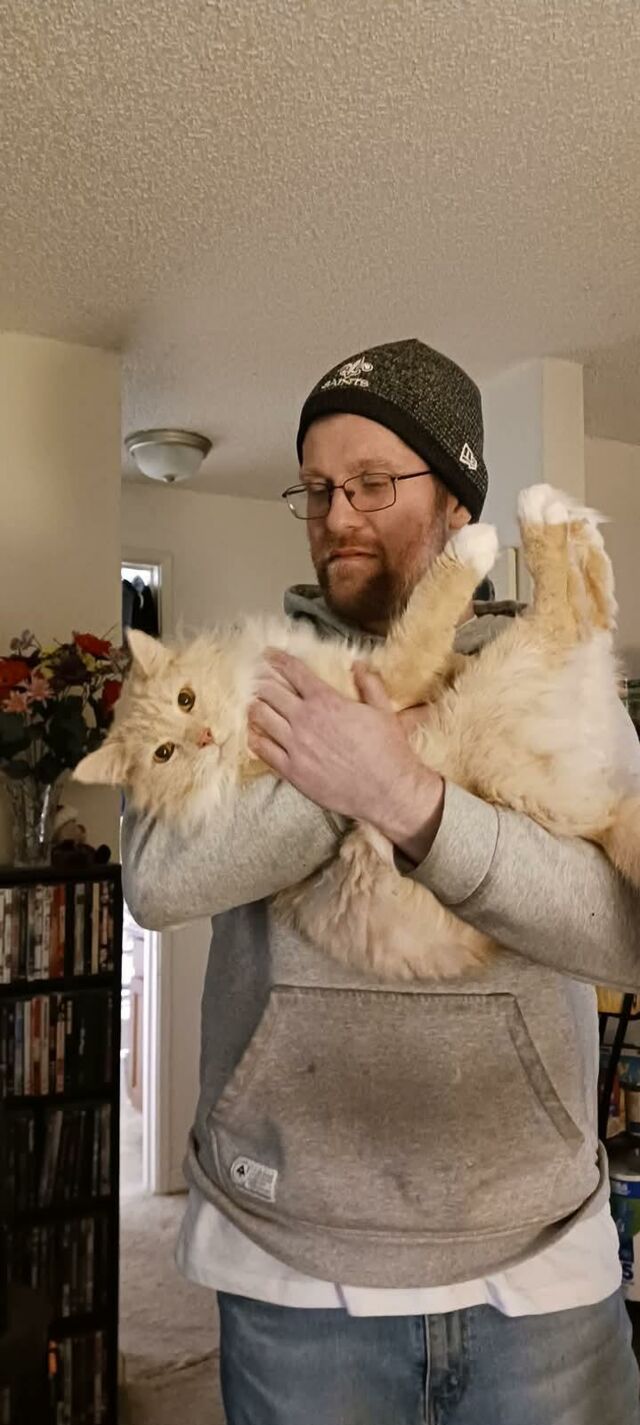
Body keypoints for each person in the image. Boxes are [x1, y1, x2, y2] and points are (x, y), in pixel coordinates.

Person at [121, 339, 640, 1425]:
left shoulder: (553, 673)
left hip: (539, 1273)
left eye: (370, 483)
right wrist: (338, 773)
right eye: (315, 489)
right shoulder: (240, 674)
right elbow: (161, 882)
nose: (335, 516)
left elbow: (624, 938)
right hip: (291, 1270)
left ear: (457, 504)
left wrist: (412, 800)